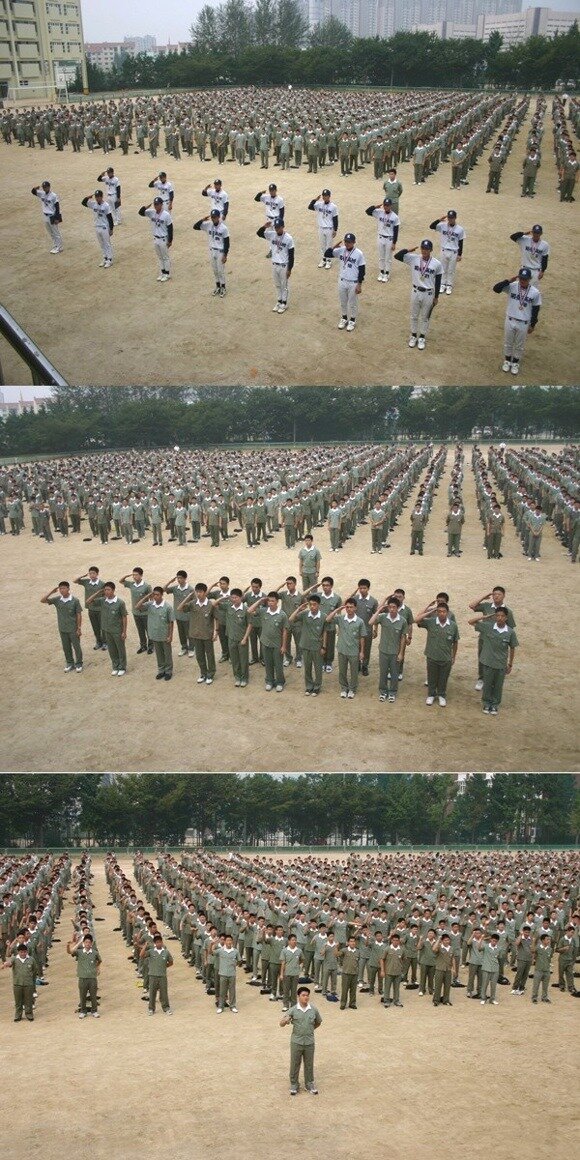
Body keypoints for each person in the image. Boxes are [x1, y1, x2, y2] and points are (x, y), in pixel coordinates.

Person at [468, 606, 518, 715]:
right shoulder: (487, 627)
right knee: (487, 684)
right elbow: (470, 622)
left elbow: (512, 647)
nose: (500, 618)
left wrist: (510, 664)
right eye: (497, 615)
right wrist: (484, 617)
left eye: (502, 616)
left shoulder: (510, 632)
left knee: (498, 686)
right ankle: (486, 703)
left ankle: (495, 705)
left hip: (501, 664)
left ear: (506, 618)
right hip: (488, 662)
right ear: (495, 617)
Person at [394, 238, 442, 350]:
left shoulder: (437, 264)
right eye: (423, 248)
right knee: (414, 315)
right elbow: (397, 256)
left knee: (425, 317)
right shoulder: (414, 258)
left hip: (428, 294)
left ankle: (422, 337)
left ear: (431, 250)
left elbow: (438, 281)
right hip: (415, 291)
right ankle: (413, 335)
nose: (424, 251)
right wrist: (407, 250)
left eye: (427, 249)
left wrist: (436, 297)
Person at [493, 266, 541, 376]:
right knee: (508, 342)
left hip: (524, 322)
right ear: (518, 278)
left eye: (525, 279)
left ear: (529, 279)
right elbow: (496, 289)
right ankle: (507, 360)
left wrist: (533, 324)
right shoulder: (512, 286)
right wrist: (508, 281)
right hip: (510, 319)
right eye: (521, 278)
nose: (523, 281)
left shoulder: (535, 292)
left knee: (519, 345)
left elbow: (536, 309)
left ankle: (515, 363)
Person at [415, 600, 459, 707]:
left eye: (444, 611)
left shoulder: (453, 626)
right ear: (436, 612)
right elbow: (416, 619)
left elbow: (455, 642)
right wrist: (431, 610)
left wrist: (453, 656)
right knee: (431, 677)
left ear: (447, 613)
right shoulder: (431, 622)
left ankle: (441, 695)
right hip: (432, 655)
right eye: (439, 611)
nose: (441, 613)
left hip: (446, 657)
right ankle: (431, 694)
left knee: (443, 678)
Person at [280, 986, 321, 1096]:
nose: (306, 997)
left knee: (309, 1064)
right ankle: (294, 1084)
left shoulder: (313, 1009)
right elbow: (281, 1024)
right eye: (303, 995)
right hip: (296, 1042)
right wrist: (285, 1020)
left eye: (307, 995)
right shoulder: (293, 1010)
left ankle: (309, 1084)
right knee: (295, 1063)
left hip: (309, 1042)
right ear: (298, 996)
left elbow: (318, 1022)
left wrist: (310, 1030)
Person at [244, 591, 288, 692]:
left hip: (277, 644)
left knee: (278, 664)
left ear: (277, 601)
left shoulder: (282, 615)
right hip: (265, 642)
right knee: (268, 663)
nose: (270, 603)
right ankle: (269, 681)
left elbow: (285, 631)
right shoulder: (263, 611)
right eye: (269, 601)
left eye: (273, 601)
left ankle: (280, 682)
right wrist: (260, 600)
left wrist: (284, 646)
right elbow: (249, 611)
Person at [324, 597, 367, 699]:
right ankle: (344, 688)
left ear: (355, 608)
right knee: (342, 671)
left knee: (354, 672)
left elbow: (362, 637)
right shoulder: (341, 618)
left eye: (351, 607)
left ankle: (352, 689)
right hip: (342, 649)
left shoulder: (360, 621)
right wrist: (337, 609)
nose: (349, 609)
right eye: (347, 607)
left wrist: (361, 652)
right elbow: (328, 619)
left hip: (354, 651)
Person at [178, 582, 218, 684]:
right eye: (197, 592)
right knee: (199, 656)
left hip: (207, 634)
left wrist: (215, 632)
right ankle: (203, 673)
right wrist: (188, 597)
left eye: (200, 592)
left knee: (209, 655)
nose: (198, 594)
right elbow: (179, 608)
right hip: (195, 634)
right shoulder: (192, 603)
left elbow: (216, 619)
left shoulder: (211, 605)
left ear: (205, 592)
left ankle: (210, 674)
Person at [324, 232, 365, 332]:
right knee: (343, 301)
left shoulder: (359, 253)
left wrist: (359, 284)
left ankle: (352, 320)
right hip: (342, 280)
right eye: (346, 241)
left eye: (349, 242)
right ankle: (344, 318)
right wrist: (333, 247)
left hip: (353, 283)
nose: (347, 244)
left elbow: (362, 270)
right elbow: (326, 254)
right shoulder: (341, 250)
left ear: (354, 242)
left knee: (353, 303)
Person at [369, 595, 407, 703]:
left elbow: (403, 638)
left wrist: (401, 653)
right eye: (390, 607)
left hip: (395, 652)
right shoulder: (383, 617)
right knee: (383, 672)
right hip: (383, 650)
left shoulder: (402, 621)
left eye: (394, 607)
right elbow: (370, 622)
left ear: (398, 608)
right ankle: (383, 691)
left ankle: (392, 692)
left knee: (394, 674)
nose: (392, 609)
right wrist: (379, 610)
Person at [86, 581, 128, 676]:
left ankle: (122, 667)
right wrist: (98, 593)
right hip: (106, 630)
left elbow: (124, 617)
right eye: (105, 590)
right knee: (112, 650)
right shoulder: (102, 600)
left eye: (108, 590)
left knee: (120, 649)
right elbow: (88, 602)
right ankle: (115, 666)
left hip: (117, 630)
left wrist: (124, 631)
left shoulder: (120, 603)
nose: (106, 591)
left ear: (113, 590)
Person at [288, 591, 325, 696]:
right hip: (305, 645)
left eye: (314, 604)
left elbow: (325, 632)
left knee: (318, 668)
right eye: (310, 604)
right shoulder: (304, 614)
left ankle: (317, 686)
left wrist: (324, 646)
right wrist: (299, 609)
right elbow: (290, 619)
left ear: (319, 605)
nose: (312, 607)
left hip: (317, 646)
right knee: (307, 667)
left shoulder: (323, 616)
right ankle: (309, 686)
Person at [41, 580, 83, 673]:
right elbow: (42, 600)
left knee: (76, 647)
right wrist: (51, 592)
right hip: (62, 628)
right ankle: (70, 663)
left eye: (63, 588)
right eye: (60, 589)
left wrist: (79, 628)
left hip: (73, 628)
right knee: (66, 647)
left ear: (68, 589)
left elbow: (79, 614)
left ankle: (79, 663)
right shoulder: (57, 600)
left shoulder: (75, 600)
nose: (62, 590)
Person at [135, 586, 175, 681]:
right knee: (159, 654)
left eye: (157, 595)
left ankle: (168, 671)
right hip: (154, 635)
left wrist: (170, 636)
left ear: (162, 595)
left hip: (164, 635)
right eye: (154, 595)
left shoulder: (167, 607)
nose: (155, 596)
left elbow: (171, 622)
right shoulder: (150, 605)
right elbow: (137, 607)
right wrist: (146, 597)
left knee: (167, 654)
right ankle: (161, 670)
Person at [256, 217, 294, 313]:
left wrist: (289, 269)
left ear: (283, 227)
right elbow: (259, 233)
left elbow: (291, 255)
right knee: (277, 284)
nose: (277, 229)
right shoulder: (272, 235)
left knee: (284, 285)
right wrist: (264, 226)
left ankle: (284, 303)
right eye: (276, 227)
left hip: (284, 265)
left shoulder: (289, 238)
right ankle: (279, 301)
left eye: (279, 227)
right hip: (274, 264)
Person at [193, 208, 230, 297]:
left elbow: (227, 243)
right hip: (212, 251)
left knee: (220, 270)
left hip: (220, 252)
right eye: (212, 217)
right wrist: (202, 220)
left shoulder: (224, 228)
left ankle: (223, 287)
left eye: (215, 217)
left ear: (218, 217)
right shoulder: (208, 225)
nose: (213, 219)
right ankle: (218, 286)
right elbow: (195, 227)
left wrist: (225, 255)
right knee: (215, 270)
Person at [429, 210, 464, 295]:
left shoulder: (460, 229)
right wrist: (439, 220)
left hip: (454, 252)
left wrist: (460, 254)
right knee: (443, 268)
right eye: (449, 218)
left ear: (455, 218)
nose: (450, 219)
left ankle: (449, 285)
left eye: (452, 218)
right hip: (444, 250)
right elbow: (431, 226)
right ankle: (442, 284)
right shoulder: (442, 226)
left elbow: (461, 242)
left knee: (451, 270)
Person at [138, 196, 173, 282]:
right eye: (155, 204)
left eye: (157, 204)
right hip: (156, 238)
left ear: (161, 204)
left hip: (163, 239)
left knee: (165, 257)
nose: (156, 206)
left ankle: (167, 274)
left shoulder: (166, 215)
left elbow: (170, 228)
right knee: (160, 257)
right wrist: (145, 207)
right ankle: (162, 273)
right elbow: (140, 213)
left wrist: (170, 241)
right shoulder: (151, 212)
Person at [67, 932, 101, 1019]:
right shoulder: (79, 952)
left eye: (89, 942)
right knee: (82, 996)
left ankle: (94, 1011)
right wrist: (77, 943)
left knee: (93, 996)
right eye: (86, 942)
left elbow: (99, 960)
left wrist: (97, 968)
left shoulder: (95, 953)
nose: (87, 944)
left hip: (92, 978)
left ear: (91, 943)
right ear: (83, 943)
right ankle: (83, 1011)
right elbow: (70, 951)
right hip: (82, 977)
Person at [365, 197, 399, 282]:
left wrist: (394, 243)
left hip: (389, 239)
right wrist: (375, 207)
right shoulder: (379, 212)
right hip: (380, 237)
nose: (386, 207)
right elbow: (367, 211)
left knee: (388, 257)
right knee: (381, 256)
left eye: (388, 205)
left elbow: (396, 231)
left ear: (390, 206)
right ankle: (381, 272)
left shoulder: (395, 217)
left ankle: (387, 273)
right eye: (385, 205)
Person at [120, 567, 152, 655]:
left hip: (145, 613)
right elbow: (121, 581)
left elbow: (152, 599)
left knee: (148, 630)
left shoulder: (147, 586)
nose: (134, 577)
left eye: (136, 575)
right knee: (140, 630)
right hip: (135, 612)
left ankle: (151, 646)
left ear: (141, 575)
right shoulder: (131, 584)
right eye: (133, 575)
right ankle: (143, 646)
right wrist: (127, 575)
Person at [2, 942, 35, 1022]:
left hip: (28, 983)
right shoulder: (14, 959)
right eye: (21, 952)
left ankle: (29, 1014)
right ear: (18, 952)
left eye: (24, 952)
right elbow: (10, 963)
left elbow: (34, 970)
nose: (23, 954)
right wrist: (6, 964)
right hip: (17, 984)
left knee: (28, 1000)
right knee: (18, 1001)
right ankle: (18, 1015)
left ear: (27, 951)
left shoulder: (31, 959)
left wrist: (31, 980)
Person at [81, 189, 114, 268]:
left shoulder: (106, 205)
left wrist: (111, 229)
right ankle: (105, 258)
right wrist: (87, 197)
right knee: (102, 244)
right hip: (97, 226)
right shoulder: (93, 204)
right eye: (96, 197)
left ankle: (109, 259)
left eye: (98, 197)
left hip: (104, 227)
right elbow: (83, 203)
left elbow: (110, 218)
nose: (97, 198)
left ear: (101, 197)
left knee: (107, 244)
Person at [74, 567, 106, 651]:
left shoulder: (102, 584)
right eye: (90, 573)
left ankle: (105, 642)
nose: (92, 575)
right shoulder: (86, 582)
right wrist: (83, 576)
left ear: (97, 574)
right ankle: (98, 642)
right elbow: (75, 581)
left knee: (103, 627)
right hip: (91, 609)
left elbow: (105, 596)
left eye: (93, 573)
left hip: (100, 609)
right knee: (95, 627)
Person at [307, 189, 338, 269]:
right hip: (321, 228)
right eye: (323, 196)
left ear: (329, 196)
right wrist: (315, 200)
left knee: (329, 245)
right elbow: (310, 207)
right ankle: (323, 259)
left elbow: (335, 218)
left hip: (329, 229)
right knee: (322, 245)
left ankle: (329, 261)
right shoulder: (319, 204)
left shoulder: (333, 206)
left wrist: (335, 230)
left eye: (326, 196)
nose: (324, 197)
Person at [31, 180, 62, 253]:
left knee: (56, 232)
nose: (44, 188)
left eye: (46, 187)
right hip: (45, 216)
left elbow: (57, 206)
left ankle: (59, 247)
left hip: (52, 216)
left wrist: (57, 218)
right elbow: (33, 192)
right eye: (43, 187)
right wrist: (35, 188)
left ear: (49, 187)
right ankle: (55, 246)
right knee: (51, 232)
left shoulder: (53, 195)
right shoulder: (41, 193)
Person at [146, 933, 173, 1014]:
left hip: (162, 976)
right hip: (153, 976)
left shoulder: (166, 952)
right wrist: (144, 947)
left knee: (164, 993)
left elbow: (171, 962)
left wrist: (164, 966)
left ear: (162, 942)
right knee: (152, 993)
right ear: (155, 943)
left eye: (160, 942)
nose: (159, 944)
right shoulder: (151, 951)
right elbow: (142, 955)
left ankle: (166, 1008)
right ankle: (151, 1009)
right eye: (157, 942)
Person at [215, 933, 240, 1013]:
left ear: (232, 941)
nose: (229, 942)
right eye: (227, 940)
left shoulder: (235, 951)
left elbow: (239, 961)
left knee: (232, 991)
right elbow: (212, 952)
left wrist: (235, 963)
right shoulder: (221, 950)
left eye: (230, 940)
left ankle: (232, 1006)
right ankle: (220, 1006)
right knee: (222, 991)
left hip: (232, 974)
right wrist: (212, 944)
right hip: (223, 974)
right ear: (225, 942)